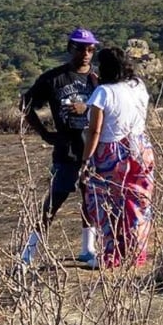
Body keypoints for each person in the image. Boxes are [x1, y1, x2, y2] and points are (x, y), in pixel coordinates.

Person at [20, 28, 99, 266]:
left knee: (91, 199)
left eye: (90, 49)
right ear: (69, 49)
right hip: (67, 151)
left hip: (93, 149)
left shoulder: (98, 81)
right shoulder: (53, 79)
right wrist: (45, 134)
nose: (86, 53)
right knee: (54, 201)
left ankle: (88, 248)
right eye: (80, 48)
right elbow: (26, 104)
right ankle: (28, 253)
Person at [81, 46, 155, 269]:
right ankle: (136, 253)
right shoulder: (138, 86)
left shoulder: (103, 92)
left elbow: (95, 130)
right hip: (141, 147)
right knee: (137, 203)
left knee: (107, 204)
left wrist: (86, 160)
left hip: (111, 152)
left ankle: (111, 256)